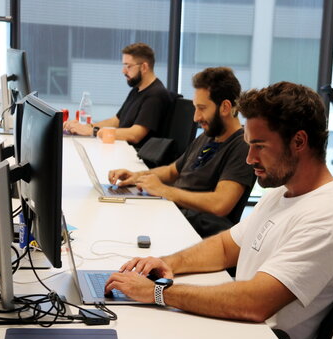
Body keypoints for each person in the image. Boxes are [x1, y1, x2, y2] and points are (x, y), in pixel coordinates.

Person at [105, 82, 333, 339]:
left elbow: (254, 303)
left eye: (260, 146)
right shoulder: (284, 193)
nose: (250, 159)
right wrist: (166, 264)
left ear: (299, 141)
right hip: (236, 327)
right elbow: (226, 247)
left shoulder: (327, 219)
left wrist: (157, 292)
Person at [108, 67, 255, 237]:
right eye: (195, 108)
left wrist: (165, 191)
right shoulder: (209, 136)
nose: (196, 118)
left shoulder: (242, 146)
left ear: (225, 107)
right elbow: (173, 171)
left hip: (193, 231)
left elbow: (220, 204)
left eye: (202, 108)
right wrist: (137, 176)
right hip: (175, 215)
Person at [63, 42, 171, 149]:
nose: (123, 71)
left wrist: (93, 131)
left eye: (128, 66)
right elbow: (116, 121)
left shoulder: (156, 95)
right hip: (123, 149)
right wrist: (87, 127)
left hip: (136, 158)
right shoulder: (137, 90)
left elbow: (135, 134)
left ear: (144, 67)